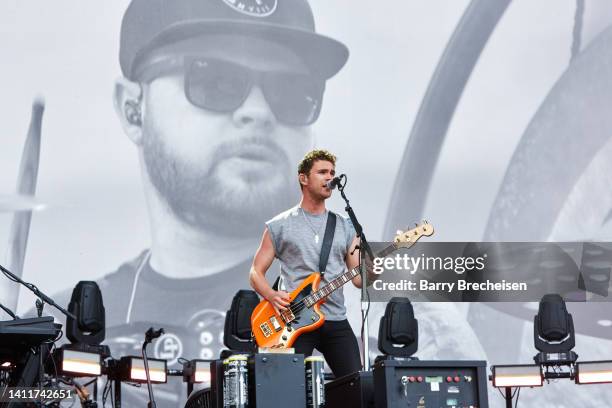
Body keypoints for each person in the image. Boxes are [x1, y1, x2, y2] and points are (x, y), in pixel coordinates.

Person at [14, 1, 349, 406]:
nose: (257, 112)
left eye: (293, 92)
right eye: (215, 81)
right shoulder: (56, 328)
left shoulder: (377, 316)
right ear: (133, 110)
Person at [250, 149, 373, 377]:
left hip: (335, 318)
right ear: (303, 178)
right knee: (287, 389)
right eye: (322, 172)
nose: (329, 178)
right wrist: (271, 295)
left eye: (332, 172)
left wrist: (373, 272)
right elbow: (256, 272)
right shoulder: (280, 225)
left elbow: (357, 279)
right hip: (293, 320)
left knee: (357, 386)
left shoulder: (346, 226)